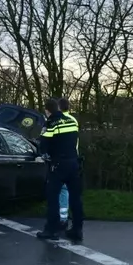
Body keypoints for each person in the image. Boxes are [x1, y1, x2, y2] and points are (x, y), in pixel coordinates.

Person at [37, 97, 84, 242]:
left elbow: (43, 145)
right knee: (76, 199)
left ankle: (52, 229)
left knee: (52, 197)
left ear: (47, 110)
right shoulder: (71, 121)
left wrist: (44, 152)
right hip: (74, 163)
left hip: (58, 165)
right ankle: (77, 229)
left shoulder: (50, 123)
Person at [56, 97, 78, 228]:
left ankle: (58, 219)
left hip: (60, 160)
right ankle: (64, 218)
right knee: (66, 189)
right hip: (73, 159)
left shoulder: (56, 120)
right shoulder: (73, 120)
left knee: (57, 189)